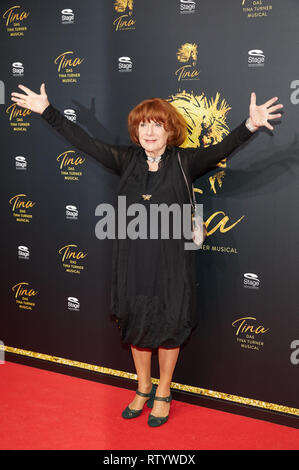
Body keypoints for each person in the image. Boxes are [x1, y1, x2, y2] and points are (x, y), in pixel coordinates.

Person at [11, 84, 283, 427]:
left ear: (170, 131)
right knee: (137, 322)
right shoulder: (126, 160)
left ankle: (164, 391)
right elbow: (85, 142)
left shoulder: (186, 162)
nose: (149, 131)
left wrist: (251, 125)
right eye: (143, 125)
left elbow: (222, 148)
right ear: (136, 130)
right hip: (133, 259)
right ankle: (142, 387)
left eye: (157, 125)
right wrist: (48, 111)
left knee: (170, 322)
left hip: (171, 262)